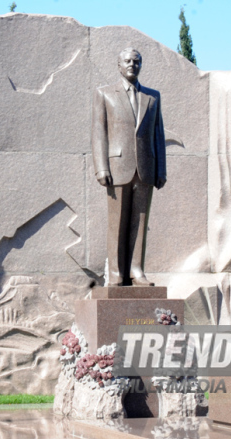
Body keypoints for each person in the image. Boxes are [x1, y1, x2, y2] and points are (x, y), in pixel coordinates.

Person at [91, 47, 166, 287]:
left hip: (146, 168)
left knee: (140, 222)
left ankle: (136, 270)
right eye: (127, 61)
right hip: (117, 168)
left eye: (137, 61)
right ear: (119, 65)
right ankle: (116, 274)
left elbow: (158, 135)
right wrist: (101, 167)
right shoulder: (104, 94)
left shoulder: (153, 97)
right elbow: (99, 133)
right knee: (117, 224)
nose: (132, 64)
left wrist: (161, 169)